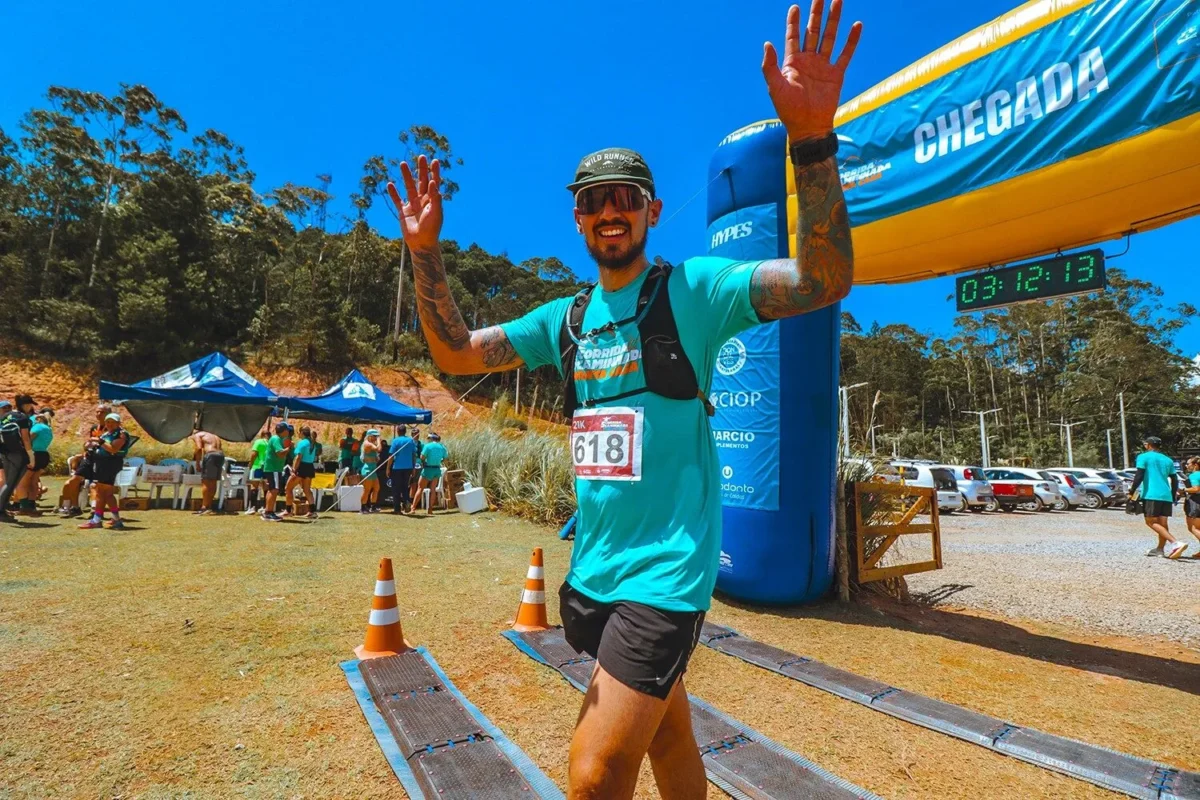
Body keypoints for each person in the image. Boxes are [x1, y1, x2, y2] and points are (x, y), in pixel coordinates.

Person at [384, 2, 859, 794]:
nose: (611, 208)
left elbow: (821, 279)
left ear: (652, 211)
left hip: (665, 577)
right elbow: (455, 352)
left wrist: (810, 139)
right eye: (595, 198)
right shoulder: (562, 319)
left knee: (596, 770)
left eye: (626, 195)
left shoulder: (695, 291)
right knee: (669, 742)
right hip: (592, 574)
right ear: (578, 217)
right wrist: (427, 255)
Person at [1131, 435, 1186, 559]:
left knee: (1150, 521)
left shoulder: (1143, 457)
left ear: (1148, 445)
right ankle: (1160, 549)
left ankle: (1175, 543)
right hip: (1166, 495)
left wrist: (1132, 490)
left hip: (1151, 494)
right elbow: (1174, 478)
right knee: (1162, 523)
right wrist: (1172, 495)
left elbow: (1139, 475)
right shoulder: (1168, 460)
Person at [78, 413, 129, 530]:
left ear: (118, 423)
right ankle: (116, 519)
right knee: (107, 494)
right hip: (101, 464)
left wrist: (99, 441)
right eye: (108, 422)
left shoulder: (122, 434)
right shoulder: (107, 434)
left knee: (101, 492)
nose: (109, 424)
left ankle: (96, 520)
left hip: (110, 464)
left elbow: (114, 449)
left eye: (112, 422)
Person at [59, 404, 110, 517]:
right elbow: (89, 443)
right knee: (72, 481)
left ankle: (94, 509)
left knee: (95, 484)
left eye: (101, 412)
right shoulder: (94, 428)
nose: (98, 414)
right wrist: (86, 447)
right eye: (97, 412)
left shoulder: (112, 430)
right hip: (89, 458)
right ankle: (75, 507)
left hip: (102, 460)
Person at [0, 396, 35, 523]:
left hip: (5, 452)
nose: (31, 407)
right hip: (17, 454)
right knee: (11, 484)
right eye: (30, 405)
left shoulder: (5, 417)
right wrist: (31, 457)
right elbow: (26, 439)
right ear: (25, 405)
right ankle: (0, 512)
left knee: (8, 483)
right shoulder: (22, 417)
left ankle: (3, 509)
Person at [14, 411, 54, 515]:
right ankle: (32, 505)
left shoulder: (37, 427)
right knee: (34, 481)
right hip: (44, 455)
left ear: (38, 419)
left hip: (34, 455)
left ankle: (24, 507)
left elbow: (27, 440)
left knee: (22, 482)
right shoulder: (48, 429)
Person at [260, 422, 290, 522]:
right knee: (274, 490)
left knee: (271, 489)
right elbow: (280, 454)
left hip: (273, 468)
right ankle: (269, 513)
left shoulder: (277, 439)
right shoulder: (276, 439)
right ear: (284, 431)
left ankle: (267, 511)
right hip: (273, 469)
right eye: (287, 430)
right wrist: (289, 448)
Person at [191, 429, 225, 515]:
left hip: (211, 455)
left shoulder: (198, 435)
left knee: (205, 481)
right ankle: (209, 505)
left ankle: (204, 507)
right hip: (220, 455)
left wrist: (197, 462)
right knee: (213, 481)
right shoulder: (215, 435)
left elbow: (198, 448)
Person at [288, 426, 318, 518]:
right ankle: (313, 511)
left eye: (298, 432)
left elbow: (298, 457)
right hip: (309, 467)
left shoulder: (302, 443)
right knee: (307, 490)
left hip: (301, 467)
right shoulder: (312, 443)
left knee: (288, 488)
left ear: (302, 433)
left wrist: (293, 469)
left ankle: (288, 510)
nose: (298, 434)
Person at [415, 432, 447, 516]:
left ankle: (413, 508)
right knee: (433, 489)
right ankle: (430, 509)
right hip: (437, 469)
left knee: (420, 488)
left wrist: (424, 461)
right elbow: (445, 458)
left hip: (428, 469)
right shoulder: (442, 447)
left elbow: (422, 457)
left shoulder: (427, 446)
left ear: (431, 438)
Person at [388, 425, 416, 514]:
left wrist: (388, 468)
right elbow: (413, 455)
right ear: (405, 431)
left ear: (398, 431)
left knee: (396, 488)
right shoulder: (411, 441)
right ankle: (406, 502)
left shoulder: (395, 441)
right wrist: (413, 467)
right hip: (408, 467)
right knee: (405, 487)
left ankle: (397, 509)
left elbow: (391, 456)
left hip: (397, 468)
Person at [245, 427, 271, 515]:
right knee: (266, 488)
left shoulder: (258, 442)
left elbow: (254, 454)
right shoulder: (270, 443)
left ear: (262, 435)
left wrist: (251, 463)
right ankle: (265, 507)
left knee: (254, 486)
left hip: (257, 466)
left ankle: (252, 507)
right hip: (267, 467)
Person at [359, 429, 382, 513]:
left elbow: (376, 454)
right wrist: (379, 440)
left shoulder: (372, 444)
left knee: (376, 488)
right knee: (367, 489)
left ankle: (373, 506)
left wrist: (376, 458)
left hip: (373, 468)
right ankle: (363, 508)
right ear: (369, 436)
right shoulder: (367, 444)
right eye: (374, 436)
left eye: (377, 436)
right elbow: (378, 449)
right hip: (367, 469)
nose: (376, 438)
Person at [1183, 456, 1200, 557]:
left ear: (1195, 465)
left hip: (1195, 502)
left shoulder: (1194, 475)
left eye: (1188, 464)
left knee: (1193, 528)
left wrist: (1183, 490)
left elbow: (1195, 489)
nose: (1187, 465)